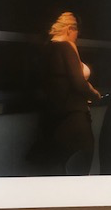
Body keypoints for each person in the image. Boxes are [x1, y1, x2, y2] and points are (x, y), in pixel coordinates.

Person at [32, 12, 102, 175]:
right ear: (70, 29)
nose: (77, 36)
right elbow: (78, 83)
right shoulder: (67, 46)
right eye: (77, 31)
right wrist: (95, 94)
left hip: (53, 120)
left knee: (61, 173)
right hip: (75, 119)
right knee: (80, 171)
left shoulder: (46, 49)